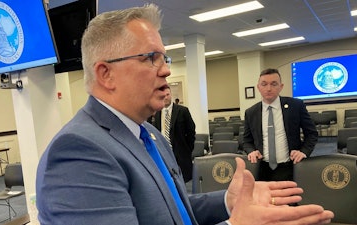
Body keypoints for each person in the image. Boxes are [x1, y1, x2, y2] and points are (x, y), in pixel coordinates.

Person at [36, 5, 333, 225]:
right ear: (106, 74)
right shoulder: (78, 152)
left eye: (163, 57)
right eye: (150, 58)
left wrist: (226, 203)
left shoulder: (149, 135)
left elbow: (170, 209)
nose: (166, 69)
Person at [243, 68, 318, 181]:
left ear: (281, 86)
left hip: (289, 166)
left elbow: (312, 134)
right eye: (264, 84)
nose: (269, 88)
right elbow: (246, 141)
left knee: (288, 198)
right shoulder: (251, 112)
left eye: (274, 84)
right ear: (258, 87)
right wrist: (251, 151)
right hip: (262, 168)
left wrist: (303, 152)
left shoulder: (296, 106)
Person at [150, 87, 195, 182]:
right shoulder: (156, 113)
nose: (165, 97)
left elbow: (191, 132)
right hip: (163, 153)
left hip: (181, 155)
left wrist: (187, 150)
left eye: (167, 95)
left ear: (171, 95)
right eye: (163, 95)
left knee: (183, 183)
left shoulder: (183, 111)